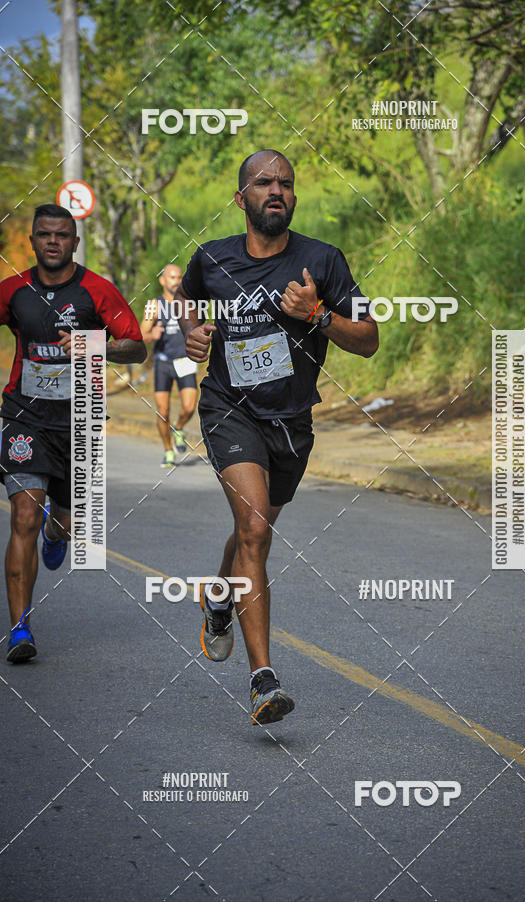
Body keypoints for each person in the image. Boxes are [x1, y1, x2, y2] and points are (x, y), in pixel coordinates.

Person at [176, 150, 378, 725]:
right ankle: (263, 680)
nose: (277, 191)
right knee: (256, 527)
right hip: (227, 408)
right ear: (241, 198)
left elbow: (367, 338)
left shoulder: (323, 260)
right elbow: (187, 303)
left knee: (252, 533)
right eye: (263, 182)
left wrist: (317, 314)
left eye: (286, 183)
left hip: (292, 422)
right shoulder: (212, 258)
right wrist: (193, 334)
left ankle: (219, 596)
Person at [0, 203, 146, 662]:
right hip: (24, 416)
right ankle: (20, 628)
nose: (53, 242)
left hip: (80, 418)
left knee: (61, 521)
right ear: (33, 240)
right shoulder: (13, 290)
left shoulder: (97, 291)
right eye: (44, 234)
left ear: (74, 242)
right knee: (24, 515)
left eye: (62, 235)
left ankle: (58, 534)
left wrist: (93, 343)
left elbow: (136, 347)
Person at [140, 264, 198, 467]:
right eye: (172, 277)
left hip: (185, 360)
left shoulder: (188, 304)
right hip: (163, 362)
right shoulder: (154, 305)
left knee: (190, 407)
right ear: (162, 280)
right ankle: (167, 450)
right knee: (162, 411)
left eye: (179, 277)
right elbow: (140, 335)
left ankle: (179, 427)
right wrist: (151, 335)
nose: (176, 281)